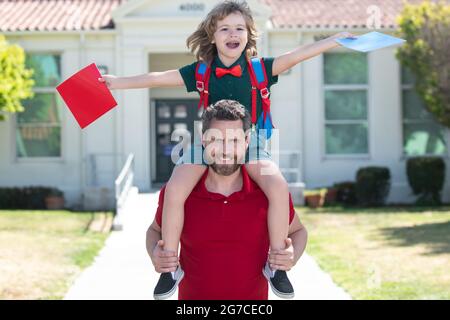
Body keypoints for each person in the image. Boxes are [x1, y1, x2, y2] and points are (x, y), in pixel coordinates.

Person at [99, 0, 354, 299]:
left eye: (239, 28)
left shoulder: (261, 69)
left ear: (249, 34)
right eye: (224, 28)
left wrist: (333, 40)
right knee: (177, 184)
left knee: (276, 184)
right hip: (210, 140)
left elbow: (297, 56)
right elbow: (156, 78)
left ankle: (277, 266)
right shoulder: (201, 72)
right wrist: (116, 83)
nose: (232, 33)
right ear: (213, 35)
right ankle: (169, 266)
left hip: (251, 141)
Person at [146, 99, 308, 300]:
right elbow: (154, 231)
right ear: (204, 140)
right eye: (217, 140)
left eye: (234, 141)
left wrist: (291, 257)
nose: (225, 150)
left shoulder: (267, 195)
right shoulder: (180, 192)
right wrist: (156, 254)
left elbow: (298, 231)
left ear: (247, 141)